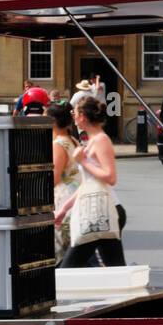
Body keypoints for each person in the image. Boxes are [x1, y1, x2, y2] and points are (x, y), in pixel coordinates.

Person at [55, 96, 125, 267]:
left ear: (83, 117)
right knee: (116, 269)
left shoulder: (101, 140)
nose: (73, 117)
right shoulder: (91, 141)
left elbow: (110, 177)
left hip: (102, 211)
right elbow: (88, 183)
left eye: (75, 113)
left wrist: (83, 161)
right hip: (100, 210)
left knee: (68, 268)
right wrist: (64, 209)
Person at [46, 100, 81, 256]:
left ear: (52, 121)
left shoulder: (58, 144)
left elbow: (54, 178)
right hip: (74, 197)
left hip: (63, 201)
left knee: (60, 253)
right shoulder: (72, 140)